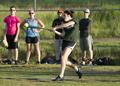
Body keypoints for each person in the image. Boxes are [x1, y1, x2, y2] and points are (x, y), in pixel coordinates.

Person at [52, 9, 82, 81]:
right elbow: (63, 34)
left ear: (69, 15)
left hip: (71, 41)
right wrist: (55, 31)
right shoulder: (63, 22)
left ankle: (61, 76)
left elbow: (67, 24)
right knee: (64, 60)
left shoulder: (74, 21)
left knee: (63, 57)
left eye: (64, 15)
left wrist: (56, 27)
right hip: (65, 41)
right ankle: (76, 68)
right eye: (63, 15)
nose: (63, 16)